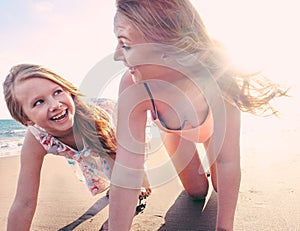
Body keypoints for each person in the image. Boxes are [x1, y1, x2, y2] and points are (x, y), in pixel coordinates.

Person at [108, 0, 287, 230]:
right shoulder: (133, 86)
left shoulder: (218, 77)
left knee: (222, 185)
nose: (115, 55)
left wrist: (224, 228)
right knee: (197, 192)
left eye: (125, 44)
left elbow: (228, 160)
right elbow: (127, 170)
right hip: (173, 132)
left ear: (165, 46)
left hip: (211, 130)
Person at [3, 64, 150, 231]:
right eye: (39, 102)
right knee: (104, 171)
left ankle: (140, 194)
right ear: (25, 118)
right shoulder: (36, 138)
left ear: (68, 90)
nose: (55, 104)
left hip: (118, 138)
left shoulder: (96, 120)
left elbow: (125, 174)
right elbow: (24, 203)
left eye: (57, 92)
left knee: (130, 178)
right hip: (89, 151)